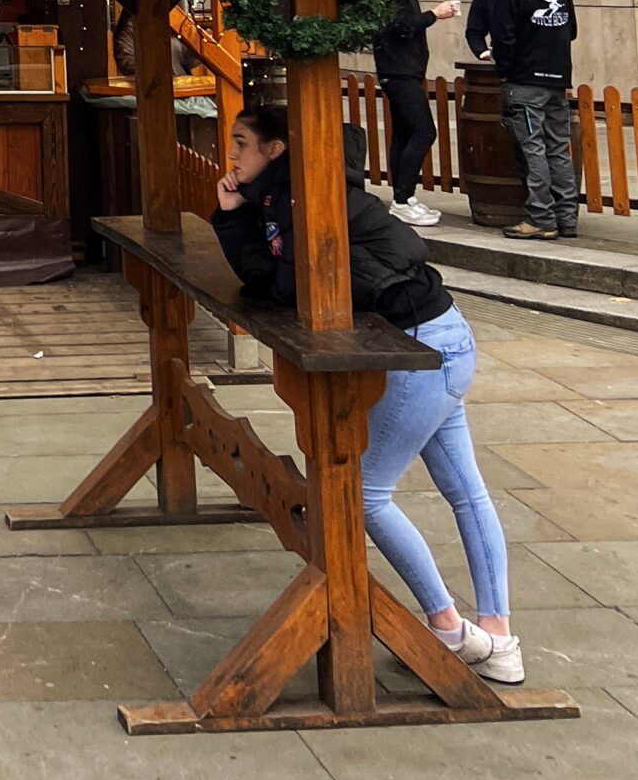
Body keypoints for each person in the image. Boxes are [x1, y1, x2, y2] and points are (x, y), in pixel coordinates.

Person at [213, 101, 521, 683]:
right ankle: (499, 641)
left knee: (363, 494)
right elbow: (274, 274)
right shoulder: (287, 197)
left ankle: (450, 628)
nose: (231, 156)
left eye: (240, 143)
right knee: (464, 490)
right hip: (442, 337)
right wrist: (235, 212)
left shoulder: (316, 203)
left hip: (423, 350)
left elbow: (281, 284)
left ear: (275, 151)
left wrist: (241, 222)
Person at [487, 0, 579, 241]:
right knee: (558, 149)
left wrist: (505, 72)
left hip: (525, 82)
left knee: (533, 149)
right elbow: (572, 31)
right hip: (558, 81)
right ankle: (568, 218)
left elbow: (503, 40)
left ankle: (541, 217)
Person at [371, 0, 458, 227]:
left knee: (404, 132)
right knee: (424, 131)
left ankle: (404, 198)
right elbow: (399, 26)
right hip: (399, 72)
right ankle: (402, 199)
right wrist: (434, 14)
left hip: (402, 71)